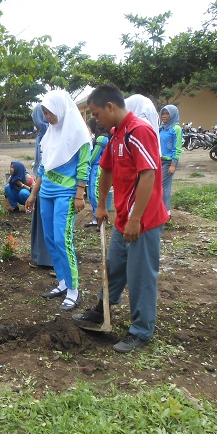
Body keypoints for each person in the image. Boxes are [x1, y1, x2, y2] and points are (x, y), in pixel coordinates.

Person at [74, 84, 170, 353]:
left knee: (140, 275)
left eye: (95, 113)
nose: (95, 119)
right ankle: (102, 308)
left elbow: (148, 175)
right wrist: (102, 205)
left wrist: (136, 219)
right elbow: (105, 170)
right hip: (124, 218)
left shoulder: (139, 131)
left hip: (144, 220)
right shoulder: (116, 135)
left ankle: (141, 331)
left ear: (110, 107)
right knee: (113, 265)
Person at [24, 89, 91, 312]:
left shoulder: (79, 134)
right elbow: (43, 166)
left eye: (49, 112)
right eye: (43, 112)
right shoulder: (50, 133)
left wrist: (80, 193)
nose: (46, 117)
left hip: (66, 193)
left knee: (63, 239)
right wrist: (33, 193)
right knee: (51, 238)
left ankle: (73, 289)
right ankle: (62, 282)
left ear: (60, 109)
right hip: (47, 192)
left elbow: (84, 165)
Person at [29, 104, 53, 269]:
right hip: (40, 183)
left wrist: (35, 190)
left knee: (47, 224)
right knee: (41, 222)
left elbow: (45, 167)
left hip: (47, 185)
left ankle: (47, 259)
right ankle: (40, 256)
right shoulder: (42, 135)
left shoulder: (50, 136)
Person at [85, 116, 110, 228]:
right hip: (95, 169)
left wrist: (84, 163)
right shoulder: (100, 138)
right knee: (92, 194)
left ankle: (99, 219)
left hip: (97, 169)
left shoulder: (101, 139)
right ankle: (96, 219)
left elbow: (94, 157)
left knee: (94, 194)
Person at [158, 104, 182, 214]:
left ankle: (165, 213)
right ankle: (161, 211)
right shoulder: (161, 128)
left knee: (163, 187)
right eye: (163, 113)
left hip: (169, 162)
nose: (164, 116)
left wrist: (173, 165)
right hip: (159, 161)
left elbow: (177, 148)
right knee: (159, 186)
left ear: (173, 115)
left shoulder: (176, 129)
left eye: (167, 113)